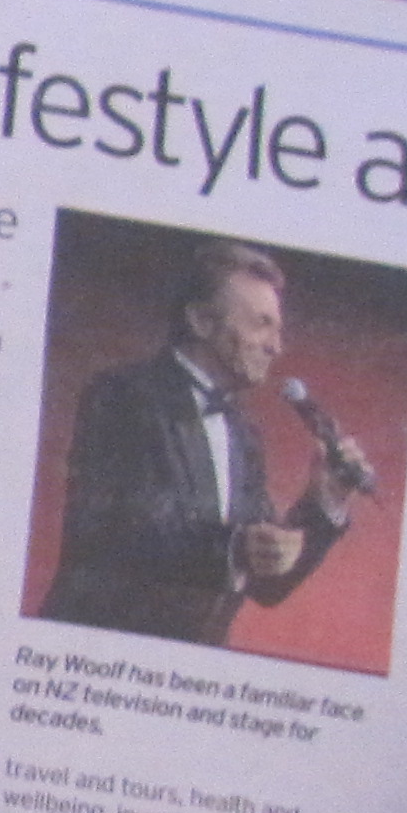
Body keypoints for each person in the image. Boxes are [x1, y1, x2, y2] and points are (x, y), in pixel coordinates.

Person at [36, 238, 373, 646]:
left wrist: (324, 503)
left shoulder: (243, 434)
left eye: (278, 329)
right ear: (199, 320)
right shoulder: (123, 395)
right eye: (261, 323)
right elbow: (114, 530)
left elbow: (265, 585)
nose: (276, 347)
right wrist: (236, 548)